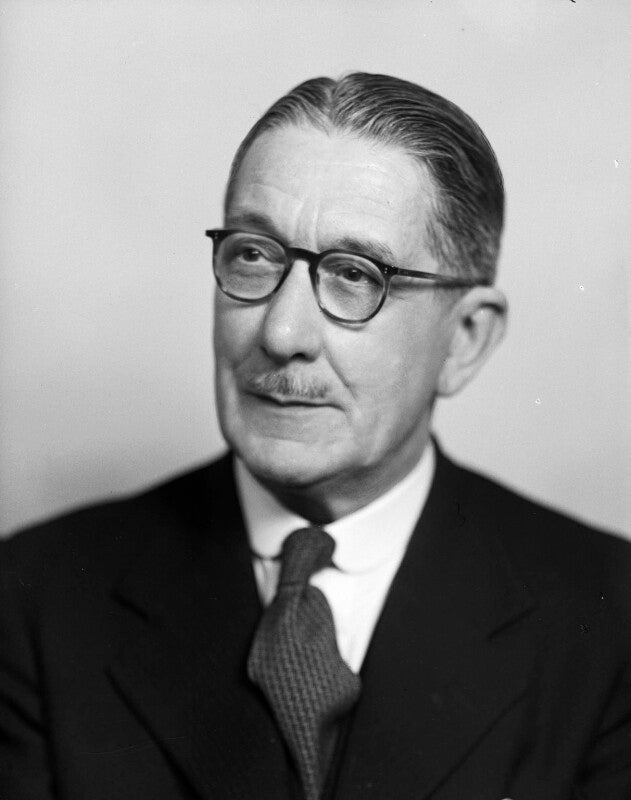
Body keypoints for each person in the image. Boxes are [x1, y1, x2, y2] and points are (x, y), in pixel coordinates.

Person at [1, 73, 630, 800]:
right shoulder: (34, 599)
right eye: (253, 255)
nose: (281, 332)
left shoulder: (609, 618)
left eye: (355, 276)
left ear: (465, 339)